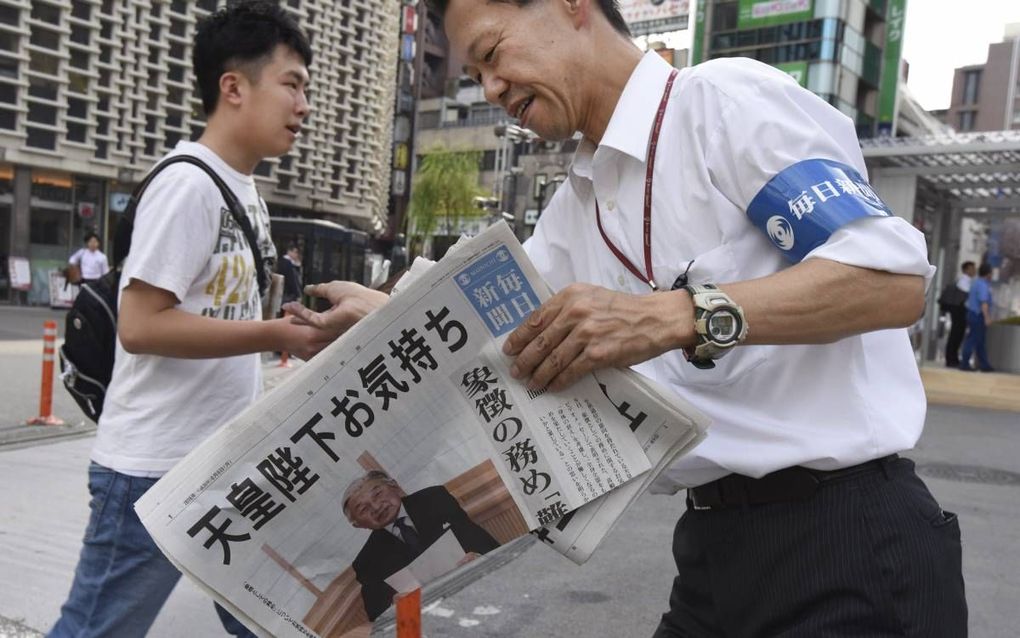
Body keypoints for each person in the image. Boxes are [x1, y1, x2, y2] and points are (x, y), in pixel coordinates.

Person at [287, 1, 968, 635]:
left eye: (493, 53)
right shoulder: (574, 207)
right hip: (710, 547)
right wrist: (373, 321)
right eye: (474, 74)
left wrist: (676, 315)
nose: (491, 88)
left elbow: (889, 281)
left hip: (845, 540)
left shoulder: (721, 103)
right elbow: (491, 329)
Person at [48, 4, 338, 637]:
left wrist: (301, 326)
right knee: (95, 631)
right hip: (153, 474)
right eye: (291, 83)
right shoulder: (188, 186)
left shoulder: (246, 193)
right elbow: (142, 326)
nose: (304, 105)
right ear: (233, 88)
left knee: (269, 623)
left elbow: (223, 313)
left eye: (306, 88)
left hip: (227, 465)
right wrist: (274, 335)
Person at [343, 470, 499, 620]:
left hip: (477, 584)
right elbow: (376, 611)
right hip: (433, 619)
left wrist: (478, 557)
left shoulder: (434, 499)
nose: (376, 507)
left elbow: (478, 539)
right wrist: (393, 605)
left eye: (378, 494)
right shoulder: (367, 561)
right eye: (364, 509)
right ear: (358, 525)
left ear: (394, 486)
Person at [959, 263, 995, 372]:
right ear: (988, 274)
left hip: (972, 314)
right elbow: (983, 303)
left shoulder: (976, 283)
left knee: (979, 341)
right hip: (978, 315)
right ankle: (965, 363)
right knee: (973, 339)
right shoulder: (983, 285)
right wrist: (987, 317)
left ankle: (984, 364)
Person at [941, 260, 975, 367]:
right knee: (955, 334)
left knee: (958, 334)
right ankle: (951, 359)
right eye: (971, 268)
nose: (974, 270)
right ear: (966, 270)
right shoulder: (963, 280)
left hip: (960, 310)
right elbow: (966, 293)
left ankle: (953, 358)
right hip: (959, 310)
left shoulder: (967, 280)